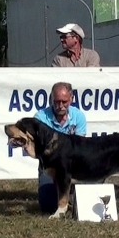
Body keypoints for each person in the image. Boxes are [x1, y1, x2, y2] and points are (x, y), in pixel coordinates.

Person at [33, 81, 87, 213]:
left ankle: (71, 195)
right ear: (51, 98)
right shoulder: (40, 118)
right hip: (50, 166)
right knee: (47, 206)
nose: (60, 106)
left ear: (71, 99)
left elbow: (80, 146)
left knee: (82, 205)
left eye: (64, 101)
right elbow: (40, 149)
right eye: (57, 101)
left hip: (73, 165)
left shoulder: (79, 116)